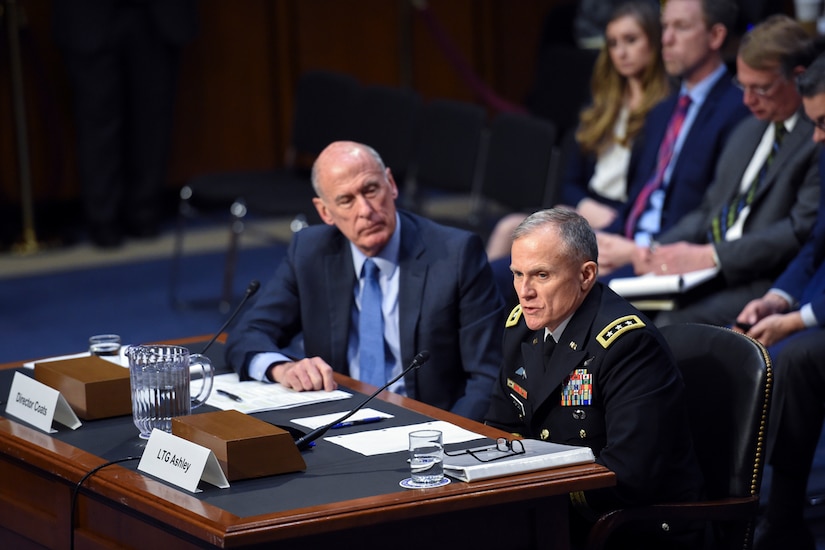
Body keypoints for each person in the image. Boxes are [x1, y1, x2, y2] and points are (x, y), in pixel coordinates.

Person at [225, 141, 504, 422]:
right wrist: (282, 369)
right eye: (346, 200)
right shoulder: (310, 252)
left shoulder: (455, 255)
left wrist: (447, 441)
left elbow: (488, 376)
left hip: (426, 427)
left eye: (371, 190)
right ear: (325, 212)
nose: (366, 210)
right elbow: (248, 333)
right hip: (339, 421)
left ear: (391, 184)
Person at [485, 209, 702, 548]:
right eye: (517, 274)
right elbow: (501, 427)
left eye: (541, 275)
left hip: (626, 529)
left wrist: (532, 491)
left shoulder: (627, 345)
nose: (524, 291)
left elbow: (628, 476)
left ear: (586, 275)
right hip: (551, 512)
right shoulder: (521, 329)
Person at [631, 14, 821, 327]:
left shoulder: (815, 138)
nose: (747, 100)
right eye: (742, 86)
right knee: (612, 303)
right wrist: (654, 249)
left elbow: (798, 231)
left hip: (760, 280)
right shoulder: (748, 131)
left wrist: (713, 256)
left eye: (760, 88)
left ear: (798, 78)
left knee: (667, 326)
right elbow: (710, 209)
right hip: (706, 272)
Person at [485, 0, 671, 263]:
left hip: (621, 221)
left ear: (653, 42)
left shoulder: (666, 111)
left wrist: (608, 217)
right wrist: (584, 207)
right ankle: (480, 305)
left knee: (538, 254)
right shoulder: (601, 105)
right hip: (584, 208)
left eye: (631, 40)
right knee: (507, 229)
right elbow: (569, 179)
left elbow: (652, 190)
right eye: (614, 43)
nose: (621, 52)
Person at [735, 52, 825, 550]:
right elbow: (817, 247)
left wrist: (798, 321)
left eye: (823, 122)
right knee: (736, 338)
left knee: (791, 358)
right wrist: (776, 300)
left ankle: (778, 515)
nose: (816, 138)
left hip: (819, 317)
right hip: (813, 299)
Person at [596, 0, 750, 278]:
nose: (666, 39)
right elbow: (637, 199)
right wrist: (595, 242)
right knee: (518, 269)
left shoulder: (739, 110)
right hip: (625, 243)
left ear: (715, 36)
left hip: (669, 260)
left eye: (680, 27)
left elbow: (711, 213)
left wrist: (638, 251)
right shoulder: (662, 110)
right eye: (665, 26)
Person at [52, 0, 197, 248]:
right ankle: (103, 218)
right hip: (89, 15)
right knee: (97, 122)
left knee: (154, 118)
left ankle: (145, 212)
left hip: (158, 13)